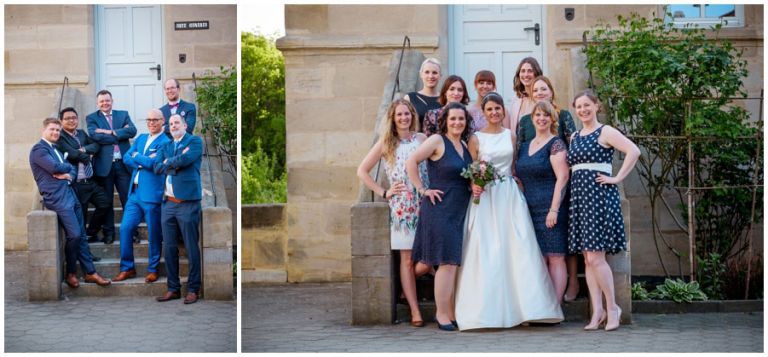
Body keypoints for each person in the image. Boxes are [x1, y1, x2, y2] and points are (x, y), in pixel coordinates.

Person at [454, 93, 563, 330]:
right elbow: (471, 168)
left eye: (498, 109)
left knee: (518, 246)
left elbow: (514, 166)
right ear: (484, 112)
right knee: (487, 248)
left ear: (504, 111)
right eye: (490, 109)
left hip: (510, 196)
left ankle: (529, 308)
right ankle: (483, 311)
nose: (494, 112)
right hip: (486, 197)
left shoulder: (511, 136)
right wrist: (474, 183)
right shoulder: (475, 138)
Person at [567, 91, 640, 331]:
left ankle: (613, 308)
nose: (583, 110)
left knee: (597, 257)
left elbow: (633, 151)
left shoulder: (605, 131)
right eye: (579, 106)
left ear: (596, 106)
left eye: (587, 105)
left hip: (598, 197)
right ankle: (597, 311)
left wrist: (617, 177)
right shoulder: (575, 136)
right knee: (588, 259)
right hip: (580, 198)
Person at [357, 99, 430, 327]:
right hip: (401, 206)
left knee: (428, 260)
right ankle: (415, 310)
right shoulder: (386, 142)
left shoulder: (422, 139)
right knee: (406, 260)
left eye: (407, 114)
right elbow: (362, 170)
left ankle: (401, 285)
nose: (404, 118)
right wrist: (384, 191)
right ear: (392, 118)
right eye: (399, 115)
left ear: (412, 116)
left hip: (425, 202)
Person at [406, 102, 473, 331]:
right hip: (439, 208)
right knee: (446, 262)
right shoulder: (436, 141)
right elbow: (411, 161)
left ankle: (450, 312)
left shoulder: (463, 144)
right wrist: (423, 189)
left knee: (450, 262)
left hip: (459, 209)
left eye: (461, 119)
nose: (457, 122)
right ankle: (441, 314)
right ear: (445, 120)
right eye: (453, 118)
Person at [515, 75, 579, 301]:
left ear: (553, 119)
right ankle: (540, 303)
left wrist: (554, 209)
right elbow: (518, 175)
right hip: (528, 208)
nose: (541, 118)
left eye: (546, 115)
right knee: (538, 257)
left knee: (555, 257)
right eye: (537, 115)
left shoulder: (556, 144)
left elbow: (562, 178)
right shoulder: (524, 145)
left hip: (551, 207)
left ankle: (555, 305)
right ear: (532, 118)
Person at [30, 118, 111, 288]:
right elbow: (54, 168)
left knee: (81, 234)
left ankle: (89, 273)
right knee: (74, 234)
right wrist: (63, 169)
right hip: (56, 197)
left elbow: (72, 169)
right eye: (52, 129)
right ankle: (71, 272)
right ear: (43, 130)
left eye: (58, 130)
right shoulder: (39, 150)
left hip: (70, 193)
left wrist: (66, 173)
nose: (55, 133)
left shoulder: (57, 148)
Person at [113, 109, 170, 283]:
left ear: (163, 121)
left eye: (155, 120)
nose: (151, 123)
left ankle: (153, 269)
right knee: (125, 229)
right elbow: (127, 157)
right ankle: (127, 268)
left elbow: (154, 164)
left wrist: (139, 158)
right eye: (149, 120)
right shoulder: (141, 138)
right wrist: (141, 158)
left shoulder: (166, 142)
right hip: (134, 193)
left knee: (154, 233)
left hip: (152, 194)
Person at [154, 114, 203, 304]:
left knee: (191, 247)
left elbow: (187, 160)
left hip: (188, 202)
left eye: (177, 123)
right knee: (169, 247)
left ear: (185, 125)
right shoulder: (166, 145)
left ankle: (193, 289)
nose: (173, 126)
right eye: (171, 123)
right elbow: (157, 167)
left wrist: (169, 162)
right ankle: (173, 288)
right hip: (168, 203)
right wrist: (171, 162)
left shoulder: (195, 141)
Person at [86, 90, 137, 244]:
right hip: (104, 166)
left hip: (123, 164)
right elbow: (95, 136)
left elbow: (132, 131)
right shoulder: (92, 118)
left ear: (112, 101)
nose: (105, 103)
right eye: (101, 101)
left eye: (107, 100)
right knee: (107, 201)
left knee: (127, 200)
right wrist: (120, 134)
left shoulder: (123, 114)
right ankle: (109, 233)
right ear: (97, 103)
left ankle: (132, 232)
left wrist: (108, 132)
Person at [55, 107, 109, 251]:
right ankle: (85, 252)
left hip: (90, 180)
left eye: (74, 117)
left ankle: (91, 233)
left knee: (105, 203)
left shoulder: (81, 133)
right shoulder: (60, 137)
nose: (72, 120)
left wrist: (83, 150)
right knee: (81, 218)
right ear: (61, 121)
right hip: (77, 184)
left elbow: (96, 145)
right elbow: (71, 154)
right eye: (67, 118)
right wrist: (85, 154)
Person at [404, 58, 442, 131]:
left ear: (440, 76)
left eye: (434, 72)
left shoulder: (446, 99)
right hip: (418, 141)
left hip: (440, 142)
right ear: (421, 74)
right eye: (427, 72)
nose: (430, 76)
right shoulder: (409, 98)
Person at [510, 57, 543, 131]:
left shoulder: (542, 98)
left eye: (530, 71)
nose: (526, 74)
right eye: (523, 71)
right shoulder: (515, 99)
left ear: (537, 73)